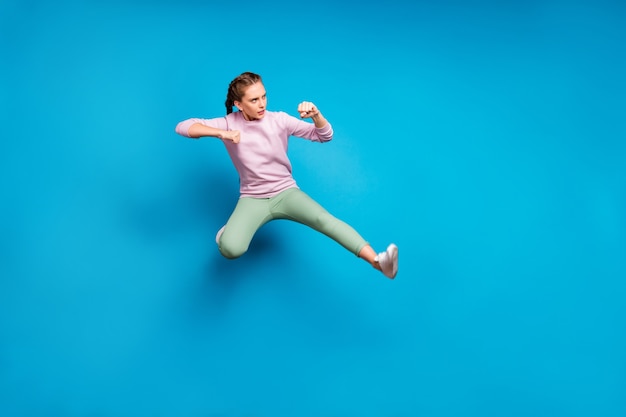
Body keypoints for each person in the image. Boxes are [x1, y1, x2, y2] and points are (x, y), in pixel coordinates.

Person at [175, 72, 398, 279]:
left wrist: (317, 116)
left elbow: (324, 136)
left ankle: (378, 262)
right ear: (238, 104)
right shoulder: (228, 123)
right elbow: (183, 127)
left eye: (264, 96)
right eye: (254, 100)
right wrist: (220, 133)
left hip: (286, 192)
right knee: (231, 249)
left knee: (325, 220)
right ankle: (231, 231)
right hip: (252, 198)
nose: (262, 104)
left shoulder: (279, 120)